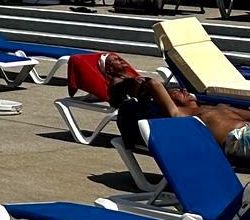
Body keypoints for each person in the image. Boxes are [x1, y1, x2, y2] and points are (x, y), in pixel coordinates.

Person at [103, 53, 250, 167]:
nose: (183, 90)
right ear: (167, 99)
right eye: (176, 90)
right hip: (239, 142)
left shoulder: (218, 107)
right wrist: (147, 84)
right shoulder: (181, 115)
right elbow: (155, 87)